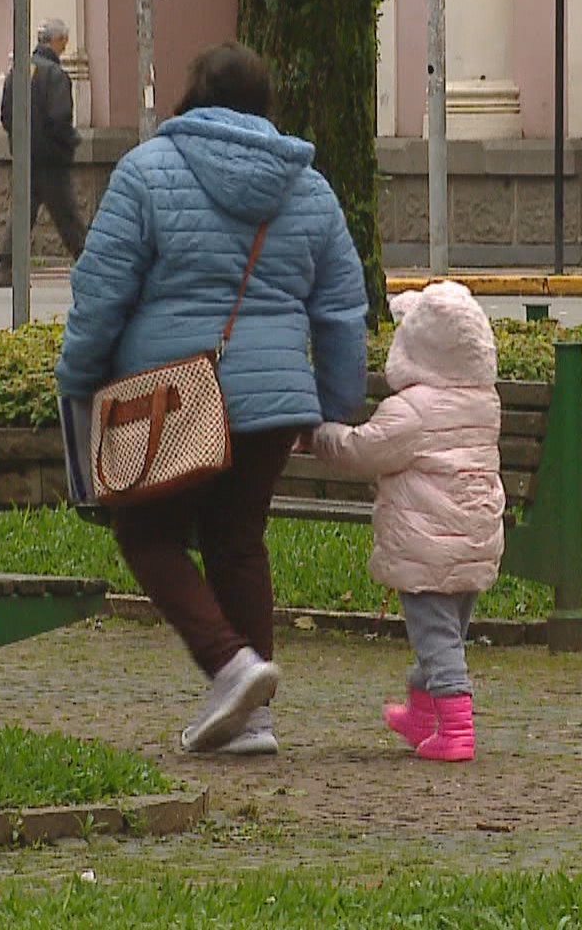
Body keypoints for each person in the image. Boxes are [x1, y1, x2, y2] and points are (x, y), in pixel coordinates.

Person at [55, 42, 369, 755]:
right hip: (271, 402)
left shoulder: (146, 173)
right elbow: (343, 309)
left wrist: (78, 376)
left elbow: (100, 294)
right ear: (265, 104)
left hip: (169, 394)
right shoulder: (308, 186)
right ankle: (252, 720)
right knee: (237, 543)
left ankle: (231, 665)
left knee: (145, 533)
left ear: (192, 96)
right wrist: (331, 404)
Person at [310, 281, 505, 763]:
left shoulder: (411, 411)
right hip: (476, 538)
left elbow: (362, 449)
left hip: (428, 543)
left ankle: (457, 729)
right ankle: (422, 715)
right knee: (444, 633)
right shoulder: (484, 403)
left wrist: (320, 434)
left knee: (435, 638)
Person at [0, 17, 86, 288]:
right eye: (64, 42)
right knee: (67, 214)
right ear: (57, 41)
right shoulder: (55, 75)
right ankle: (89, 262)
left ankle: (6, 266)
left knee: (22, 212)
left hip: (25, 156)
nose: (65, 47)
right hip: (51, 158)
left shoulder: (18, 71)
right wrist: (71, 141)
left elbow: (5, 115)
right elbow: (60, 118)